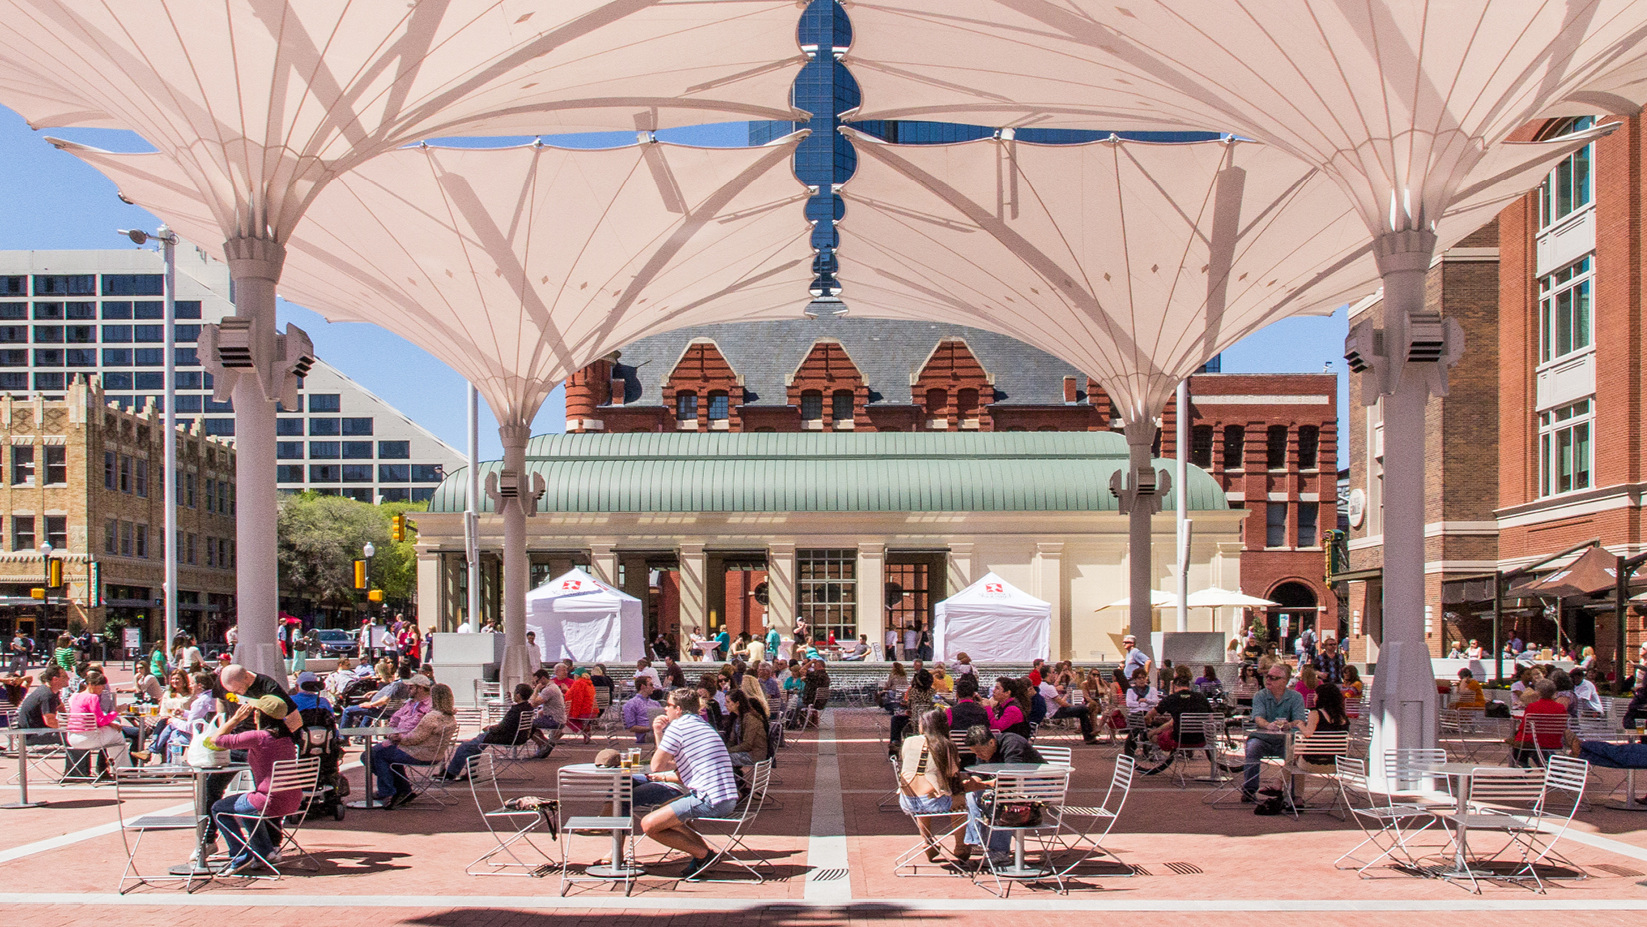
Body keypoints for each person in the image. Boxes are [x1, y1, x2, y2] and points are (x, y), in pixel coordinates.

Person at [635, 688, 742, 880]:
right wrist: (660, 733)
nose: (664, 709)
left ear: (678, 709)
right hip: (725, 796)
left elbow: (657, 765)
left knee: (649, 824)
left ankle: (703, 855)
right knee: (665, 811)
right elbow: (676, 768)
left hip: (709, 799)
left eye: (668, 705)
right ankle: (703, 854)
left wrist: (657, 732)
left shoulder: (678, 727)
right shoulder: (701, 725)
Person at [202, 695, 302, 872]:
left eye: (256, 712)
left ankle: (241, 854)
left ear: (260, 716)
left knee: (219, 808)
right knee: (247, 805)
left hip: (268, 801)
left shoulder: (259, 737)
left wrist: (235, 718)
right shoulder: (287, 738)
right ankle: (265, 852)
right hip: (292, 799)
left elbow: (215, 741)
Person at [960, 723, 1043, 863]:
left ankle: (999, 851)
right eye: (975, 753)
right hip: (1014, 790)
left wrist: (981, 785)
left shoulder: (1012, 743)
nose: (978, 755)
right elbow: (979, 773)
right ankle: (977, 841)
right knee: (971, 795)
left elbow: (1010, 779)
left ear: (992, 742)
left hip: (1036, 787)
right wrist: (973, 783)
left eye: (980, 752)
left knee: (1000, 799)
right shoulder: (986, 749)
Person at [897, 709, 969, 863]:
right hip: (929, 801)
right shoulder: (946, 745)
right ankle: (960, 846)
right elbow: (952, 773)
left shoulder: (909, 741)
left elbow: (906, 760)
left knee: (923, 799)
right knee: (960, 801)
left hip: (907, 800)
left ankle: (927, 841)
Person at [370, 682, 456, 808]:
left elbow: (414, 738)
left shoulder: (432, 717)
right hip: (435, 755)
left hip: (419, 753)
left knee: (378, 754)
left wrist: (399, 737)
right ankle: (402, 789)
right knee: (386, 755)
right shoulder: (450, 717)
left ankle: (389, 792)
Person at [439, 684, 535, 781]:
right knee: (475, 745)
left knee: (466, 746)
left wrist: (490, 729)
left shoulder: (515, 711)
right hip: (518, 737)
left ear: (518, 695)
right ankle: (471, 772)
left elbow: (503, 727)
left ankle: (451, 773)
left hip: (505, 737)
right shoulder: (527, 708)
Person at [1241, 663, 1307, 801]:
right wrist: (1267, 725)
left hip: (1286, 741)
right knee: (1252, 747)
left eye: (1273, 678)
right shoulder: (1260, 695)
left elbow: (1299, 720)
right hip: (1262, 739)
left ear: (1284, 681)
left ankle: (1295, 795)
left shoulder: (1296, 697)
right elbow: (1258, 717)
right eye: (1267, 676)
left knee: (1298, 751)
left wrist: (1289, 725)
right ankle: (1249, 789)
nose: (1268, 680)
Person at [66, 669, 132, 767]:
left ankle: (118, 768)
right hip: (89, 738)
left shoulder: (74, 696)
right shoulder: (92, 697)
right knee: (118, 734)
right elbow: (101, 721)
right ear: (92, 685)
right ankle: (122, 769)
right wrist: (116, 711)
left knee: (113, 734)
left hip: (72, 738)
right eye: (101, 685)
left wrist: (110, 723)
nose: (102, 688)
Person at [1510, 679, 1566, 767]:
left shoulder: (1532, 706)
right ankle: (1542, 765)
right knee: (1529, 741)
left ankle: (1521, 763)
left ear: (1538, 692)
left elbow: (1524, 727)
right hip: (1554, 741)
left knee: (1518, 737)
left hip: (1536, 740)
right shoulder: (1561, 707)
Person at [16, 665, 67, 747]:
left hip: (33, 732)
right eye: (64, 676)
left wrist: (70, 721)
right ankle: (77, 760)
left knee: (74, 735)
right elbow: (50, 721)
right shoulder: (47, 695)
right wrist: (68, 728)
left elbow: (61, 708)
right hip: (32, 735)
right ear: (55, 679)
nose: (68, 678)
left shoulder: (51, 691)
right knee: (74, 737)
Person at [528, 668, 568, 758]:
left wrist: (536, 690)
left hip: (554, 720)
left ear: (542, 679)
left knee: (527, 725)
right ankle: (545, 742)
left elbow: (533, 704)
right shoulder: (553, 687)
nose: (535, 684)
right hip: (559, 718)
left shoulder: (548, 690)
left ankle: (543, 744)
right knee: (533, 724)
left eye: (536, 682)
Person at [891, 669, 935, 750]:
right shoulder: (932, 692)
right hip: (929, 720)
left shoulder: (913, 691)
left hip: (914, 721)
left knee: (895, 720)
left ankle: (895, 744)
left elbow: (909, 706)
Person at [725, 688, 769, 770]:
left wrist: (727, 751)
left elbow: (747, 745)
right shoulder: (737, 718)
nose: (725, 704)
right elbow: (732, 740)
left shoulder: (751, 719)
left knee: (721, 759)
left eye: (728, 702)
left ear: (737, 703)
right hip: (745, 752)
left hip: (754, 755)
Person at [624, 676, 664, 742]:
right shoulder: (631, 704)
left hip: (659, 732)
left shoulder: (655, 703)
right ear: (642, 686)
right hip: (646, 735)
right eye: (651, 685)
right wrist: (651, 728)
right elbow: (631, 727)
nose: (653, 687)